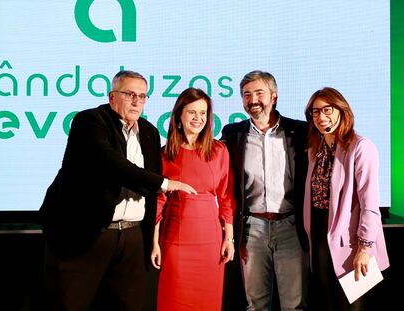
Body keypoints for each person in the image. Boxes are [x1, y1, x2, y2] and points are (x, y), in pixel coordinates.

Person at [39, 70, 197, 311]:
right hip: (87, 233)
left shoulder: (149, 132)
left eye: (142, 96)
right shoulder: (90, 121)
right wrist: (164, 184)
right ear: (112, 97)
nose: (136, 101)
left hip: (132, 237)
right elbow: (112, 163)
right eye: (129, 94)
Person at [221, 70, 309, 310]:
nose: (253, 100)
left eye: (259, 93)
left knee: (295, 304)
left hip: (291, 226)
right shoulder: (233, 133)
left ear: (274, 96)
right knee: (255, 304)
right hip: (251, 229)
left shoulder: (299, 131)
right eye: (247, 95)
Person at [303, 87, 389, 310]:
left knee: (351, 306)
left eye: (327, 110)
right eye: (315, 112)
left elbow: (370, 205)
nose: (321, 117)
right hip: (321, 237)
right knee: (328, 303)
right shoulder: (316, 148)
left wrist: (365, 248)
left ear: (341, 110)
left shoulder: (361, 147)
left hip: (353, 242)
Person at [150, 87, 236, 310]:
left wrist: (229, 238)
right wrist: (154, 242)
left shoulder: (219, 151)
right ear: (179, 115)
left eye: (203, 113)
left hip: (210, 242)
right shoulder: (164, 154)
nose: (198, 118)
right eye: (192, 112)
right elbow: (158, 202)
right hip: (175, 241)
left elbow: (226, 197)